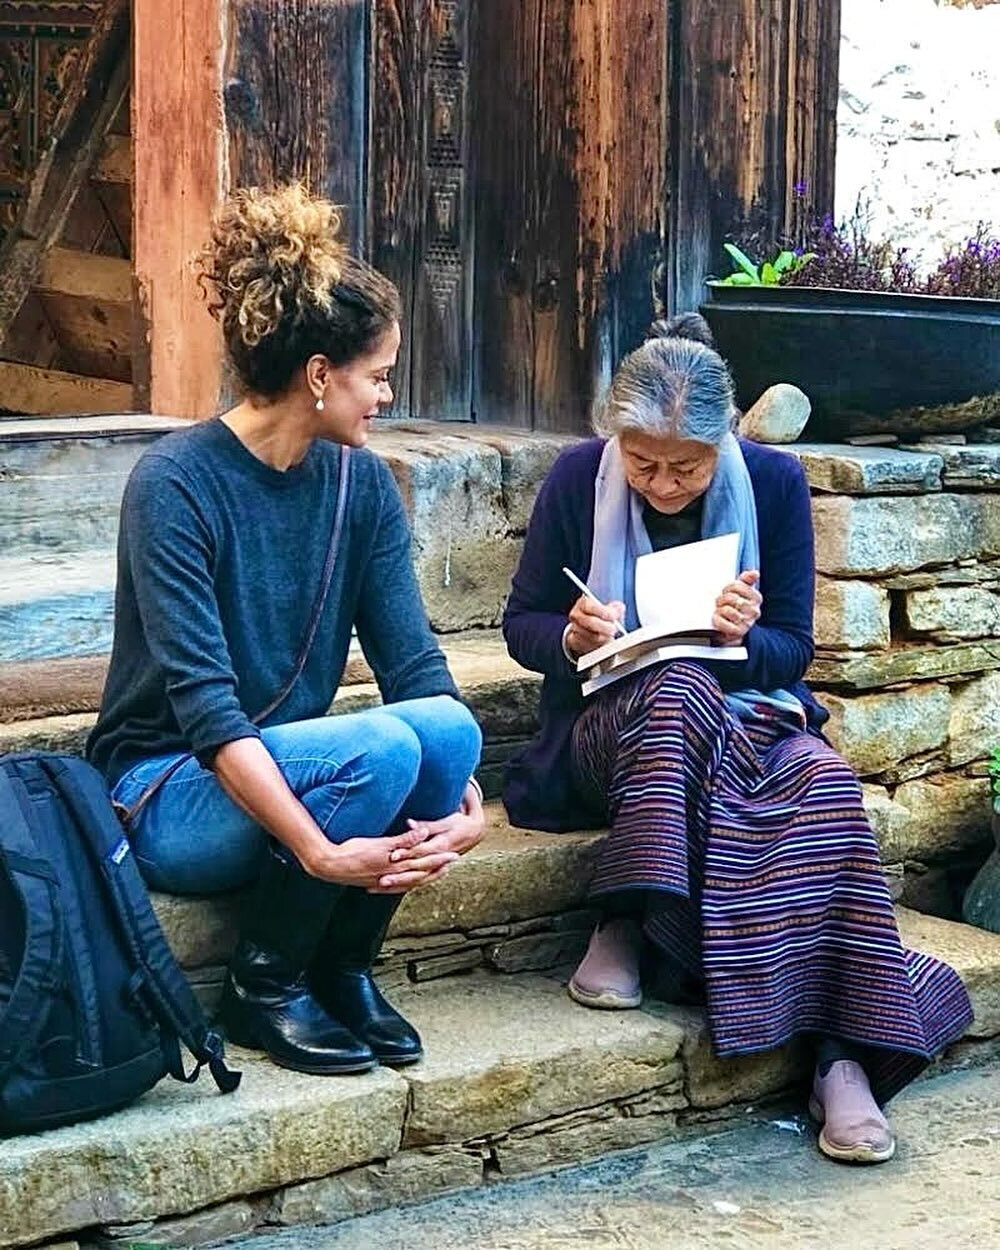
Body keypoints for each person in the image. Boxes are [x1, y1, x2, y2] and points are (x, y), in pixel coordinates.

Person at [502, 312, 972, 1164]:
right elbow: (520, 626)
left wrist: (743, 639)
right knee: (674, 687)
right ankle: (630, 916)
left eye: (687, 465)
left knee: (825, 781)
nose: (665, 484)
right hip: (613, 730)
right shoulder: (576, 479)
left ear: (724, 439)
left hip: (750, 718)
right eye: (643, 463)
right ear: (617, 439)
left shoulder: (777, 484)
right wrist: (570, 637)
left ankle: (844, 1059)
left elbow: (794, 648)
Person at [86, 184, 484, 1077]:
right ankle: (264, 985)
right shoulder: (176, 484)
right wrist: (315, 850)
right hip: (168, 789)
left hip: (290, 771)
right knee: (379, 750)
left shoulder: (362, 486)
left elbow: (415, 663)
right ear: (317, 375)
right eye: (376, 375)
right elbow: (208, 713)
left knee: (446, 726)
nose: (386, 395)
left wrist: (464, 801)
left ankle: (342, 969)